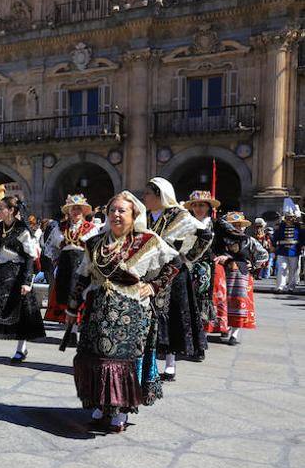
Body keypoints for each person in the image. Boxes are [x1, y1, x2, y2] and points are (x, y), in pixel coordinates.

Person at [67, 192, 181, 432]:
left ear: (134, 214)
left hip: (131, 310)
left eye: (122, 211)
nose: (116, 215)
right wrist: (72, 306)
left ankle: (120, 409)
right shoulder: (95, 242)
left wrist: (153, 286)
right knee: (95, 359)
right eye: (112, 210)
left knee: (123, 362)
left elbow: (175, 263)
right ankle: (99, 404)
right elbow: (82, 275)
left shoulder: (148, 240)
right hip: (98, 310)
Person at [143, 177, 211, 377]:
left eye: (147, 193)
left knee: (172, 315)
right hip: (149, 271)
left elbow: (204, 235)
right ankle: (149, 362)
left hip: (173, 273)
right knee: (151, 314)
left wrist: (187, 256)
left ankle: (170, 362)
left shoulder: (179, 215)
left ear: (159, 195)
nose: (144, 197)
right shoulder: (144, 216)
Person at [0, 195, 45, 366]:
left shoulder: (23, 230)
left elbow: (30, 257)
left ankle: (21, 349)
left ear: (11, 210)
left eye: (1, 208)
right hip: (0, 273)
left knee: (21, 313)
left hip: (18, 274)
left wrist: (27, 282)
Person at [214, 211, 268, 345]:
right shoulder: (220, 240)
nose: (239, 227)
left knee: (239, 304)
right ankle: (224, 327)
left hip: (241, 276)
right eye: (235, 225)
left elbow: (263, 254)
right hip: (223, 275)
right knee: (222, 302)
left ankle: (235, 334)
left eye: (240, 225)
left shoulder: (249, 240)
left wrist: (253, 265)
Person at [43, 194, 96, 326]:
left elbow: (95, 248)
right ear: (69, 211)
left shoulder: (91, 228)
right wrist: (56, 261)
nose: (76, 212)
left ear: (83, 211)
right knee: (65, 293)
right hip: (65, 264)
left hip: (82, 264)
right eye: (73, 209)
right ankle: (67, 323)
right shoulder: (60, 228)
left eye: (78, 209)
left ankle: (77, 323)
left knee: (79, 292)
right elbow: (50, 247)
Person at [184, 191, 223, 336]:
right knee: (187, 297)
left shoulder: (216, 224)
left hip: (206, 266)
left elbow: (236, 239)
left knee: (203, 297)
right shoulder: (186, 224)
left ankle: (201, 337)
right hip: (186, 264)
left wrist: (224, 255)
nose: (199, 208)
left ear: (208, 207)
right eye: (195, 205)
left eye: (202, 205)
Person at [274, 200, 302, 293]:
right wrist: (274, 246)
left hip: (294, 250)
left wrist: (302, 246)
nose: (289, 219)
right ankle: (280, 287)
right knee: (282, 268)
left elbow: (302, 238)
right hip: (282, 250)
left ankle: (291, 286)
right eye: (287, 217)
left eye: (291, 217)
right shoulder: (280, 226)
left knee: (293, 269)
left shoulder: (299, 227)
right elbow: (275, 237)